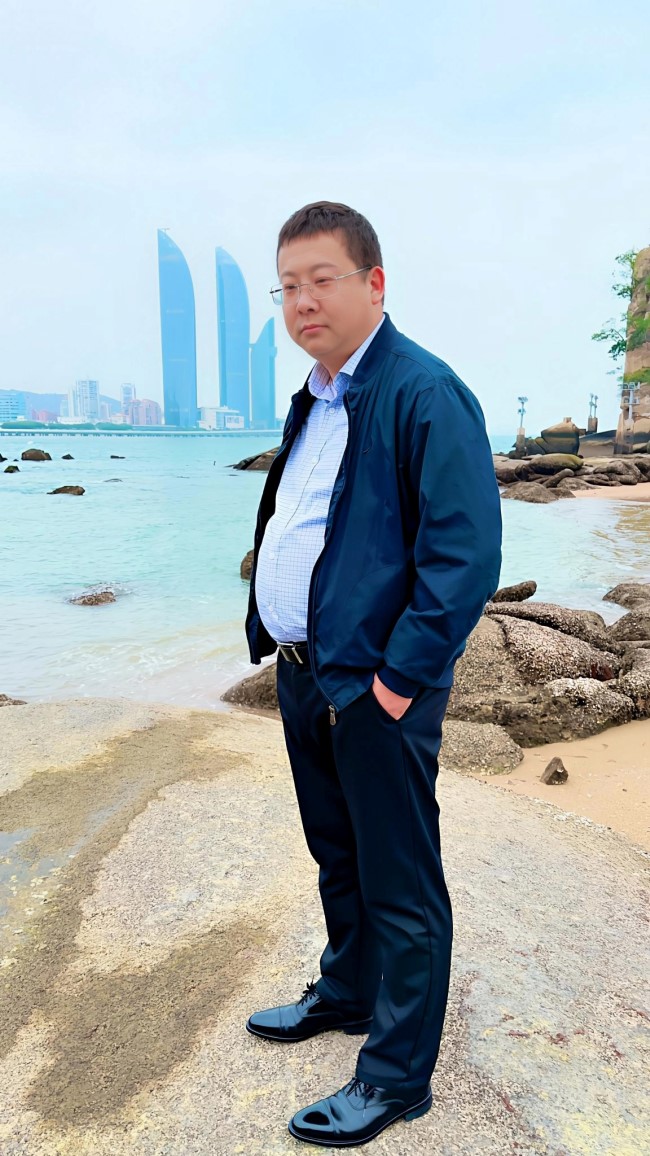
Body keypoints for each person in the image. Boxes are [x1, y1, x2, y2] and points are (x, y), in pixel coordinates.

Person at [244, 201, 502, 1148]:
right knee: (338, 853)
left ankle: (395, 1076)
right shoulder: (316, 397)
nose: (303, 301)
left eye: (323, 280)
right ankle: (348, 991)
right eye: (289, 286)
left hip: (375, 689)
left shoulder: (424, 392)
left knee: (401, 880)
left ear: (374, 283)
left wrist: (397, 684)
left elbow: (463, 557)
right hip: (307, 674)